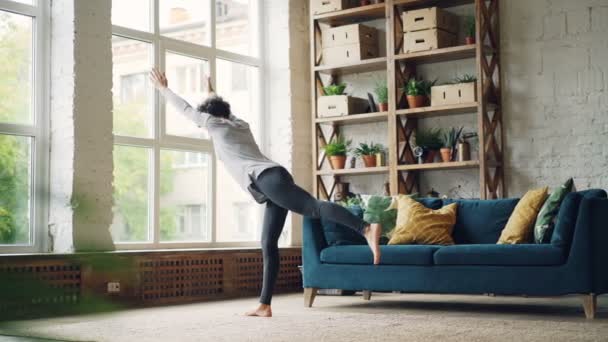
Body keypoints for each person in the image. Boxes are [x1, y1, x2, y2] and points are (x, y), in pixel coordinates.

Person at [149, 68, 382, 318]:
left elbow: (187, 110)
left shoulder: (214, 125)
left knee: (313, 207)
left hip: (267, 180)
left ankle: (366, 228)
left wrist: (163, 89)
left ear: (210, 116)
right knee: (268, 242)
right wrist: (210, 87)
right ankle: (264, 304)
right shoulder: (239, 124)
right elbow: (217, 106)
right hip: (272, 180)